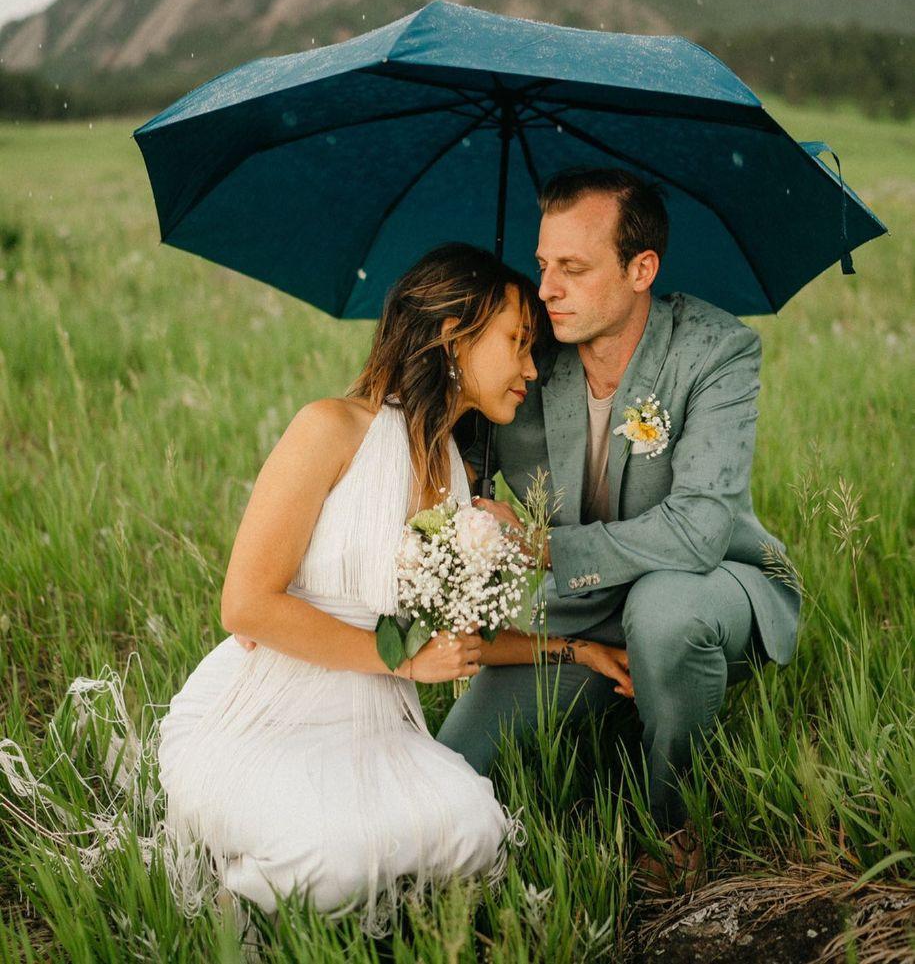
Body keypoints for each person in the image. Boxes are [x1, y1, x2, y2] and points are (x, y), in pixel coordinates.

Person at [157, 242, 632, 932]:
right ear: (451, 335)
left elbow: (455, 643)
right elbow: (246, 603)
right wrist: (400, 660)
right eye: (516, 342)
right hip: (266, 708)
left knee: (472, 830)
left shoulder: (456, 477)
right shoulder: (329, 428)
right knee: (337, 858)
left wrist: (572, 650)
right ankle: (235, 904)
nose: (531, 367)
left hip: (374, 718)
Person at [436, 167, 802, 895]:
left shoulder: (716, 350)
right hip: (578, 604)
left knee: (664, 615)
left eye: (572, 267)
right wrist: (461, 393)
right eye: (543, 265)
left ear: (641, 269)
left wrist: (542, 547)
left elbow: (700, 529)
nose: (546, 289)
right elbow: (456, 458)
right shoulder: (526, 346)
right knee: (450, 764)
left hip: (706, 585)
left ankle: (675, 819)